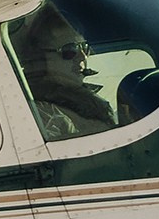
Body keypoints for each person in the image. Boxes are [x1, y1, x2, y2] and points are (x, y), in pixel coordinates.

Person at [8, 9, 116, 139]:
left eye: (84, 47)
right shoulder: (41, 113)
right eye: (70, 50)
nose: (82, 57)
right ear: (42, 56)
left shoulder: (87, 102)